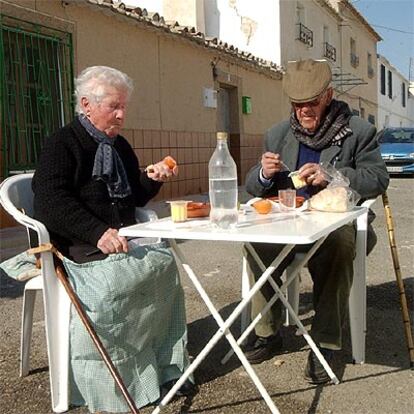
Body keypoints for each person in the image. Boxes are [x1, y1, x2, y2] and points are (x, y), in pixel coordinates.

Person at [32, 66, 195, 411]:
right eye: (114, 107)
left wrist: (152, 178)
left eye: (124, 107)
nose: (121, 115)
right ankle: (112, 384)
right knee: (114, 288)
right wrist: (96, 232)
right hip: (79, 245)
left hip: (122, 239)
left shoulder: (118, 145)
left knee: (164, 271)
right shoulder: (62, 143)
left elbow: (133, 196)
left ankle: (162, 369)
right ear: (87, 105)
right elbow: (49, 201)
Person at [244, 59, 389, 384]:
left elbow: (378, 179)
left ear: (328, 95)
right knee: (255, 242)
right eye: (298, 104)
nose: (304, 111)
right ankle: (268, 330)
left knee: (338, 245)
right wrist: (265, 174)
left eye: (312, 102)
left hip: (336, 223)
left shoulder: (358, 131)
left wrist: (333, 175)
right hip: (289, 224)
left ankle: (325, 343)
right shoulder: (278, 134)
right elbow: (252, 187)